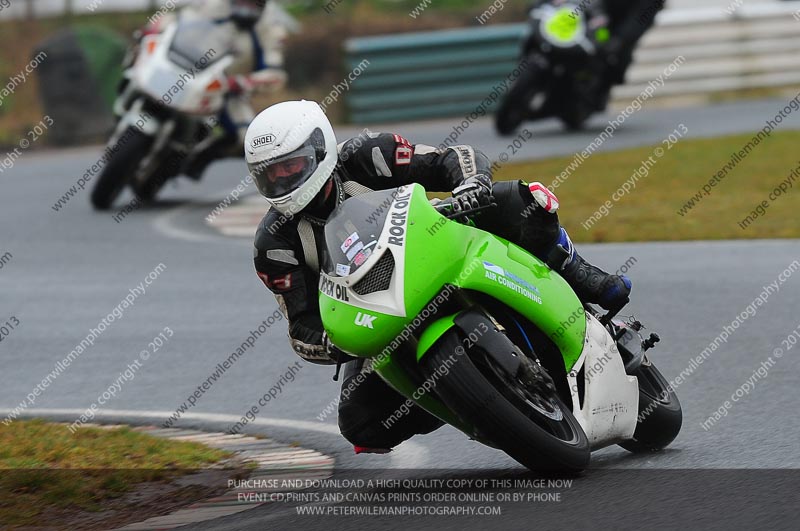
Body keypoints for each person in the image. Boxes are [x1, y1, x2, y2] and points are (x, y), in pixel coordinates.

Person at [248, 100, 631, 453]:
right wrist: (335, 344)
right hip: (376, 312)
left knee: (520, 200)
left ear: (319, 150)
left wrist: (470, 185)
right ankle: (460, 397)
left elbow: (454, 158)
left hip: (434, 244)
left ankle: (579, 273)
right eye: (271, 174)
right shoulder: (274, 244)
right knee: (360, 424)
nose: (283, 179)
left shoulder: (367, 156)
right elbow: (301, 326)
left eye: (291, 166)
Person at [129, 0, 288, 179]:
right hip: (183, 65)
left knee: (244, 138)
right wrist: (155, 30)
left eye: (252, 3)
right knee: (137, 57)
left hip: (225, 87)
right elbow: (176, 18)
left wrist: (245, 82)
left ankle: (197, 159)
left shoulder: (271, 26)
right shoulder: (211, 4)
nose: (246, 7)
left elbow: (274, 72)